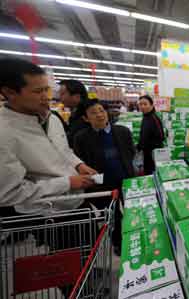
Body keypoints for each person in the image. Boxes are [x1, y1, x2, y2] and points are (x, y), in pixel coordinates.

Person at [0, 58, 98, 214]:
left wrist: (79, 165)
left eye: (47, 89)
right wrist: (66, 183)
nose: (47, 97)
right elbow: (8, 193)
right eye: (38, 91)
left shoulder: (51, 118)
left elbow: (63, 150)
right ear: (10, 92)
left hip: (76, 202)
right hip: (46, 214)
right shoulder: (4, 132)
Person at [73, 99, 136, 252]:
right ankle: (118, 242)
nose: (100, 115)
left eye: (101, 110)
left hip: (125, 178)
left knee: (132, 209)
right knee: (112, 214)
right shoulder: (81, 138)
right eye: (93, 113)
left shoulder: (122, 131)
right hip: (102, 184)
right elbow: (79, 161)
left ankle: (134, 237)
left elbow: (131, 151)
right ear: (86, 118)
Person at [137, 95, 165, 174]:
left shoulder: (154, 118)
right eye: (140, 104)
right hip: (147, 152)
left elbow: (161, 137)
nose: (142, 106)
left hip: (153, 154)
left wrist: (142, 146)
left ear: (152, 105)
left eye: (145, 104)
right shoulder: (146, 117)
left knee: (153, 172)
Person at [59, 79, 90, 148]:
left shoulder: (87, 113)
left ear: (77, 96)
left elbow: (74, 140)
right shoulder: (76, 112)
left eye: (62, 94)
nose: (60, 98)